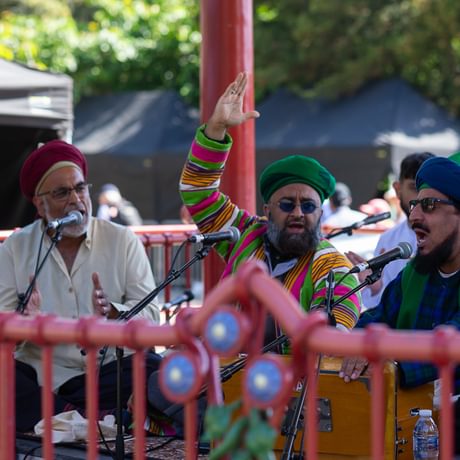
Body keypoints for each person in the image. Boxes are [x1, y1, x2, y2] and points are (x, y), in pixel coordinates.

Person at [179, 72, 362, 340]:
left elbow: (332, 335)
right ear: (267, 210)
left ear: (321, 213)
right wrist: (216, 129)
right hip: (225, 375)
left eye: (308, 206)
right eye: (287, 204)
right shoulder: (244, 236)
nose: (298, 213)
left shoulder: (333, 266)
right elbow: (197, 190)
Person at [0, 140, 161, 432]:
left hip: (107, 373)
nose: (76, 200)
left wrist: (114, 313)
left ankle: (64, 417)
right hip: (42, 378)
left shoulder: (122, 240)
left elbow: (151, 315)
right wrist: (22, 322)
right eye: (62, 193)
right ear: (39, 203)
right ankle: (89, 417)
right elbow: (2, 330)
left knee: (154, 369)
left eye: (80, 188)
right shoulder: (16, 248)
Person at [339, 154, 460, 400]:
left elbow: (449, 347)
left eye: (429, 206)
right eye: (414, 204)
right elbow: (377, 317)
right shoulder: (415, 273)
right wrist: (359, 344)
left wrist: (385, 359)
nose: (414, 217)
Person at [346, 152, 435, 309]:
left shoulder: (448, 238)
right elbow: (381, 306)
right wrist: (375, 286)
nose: (421, 197)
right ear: (397, 189)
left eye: (428, 188)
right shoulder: (388, 239)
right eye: (415, 187)